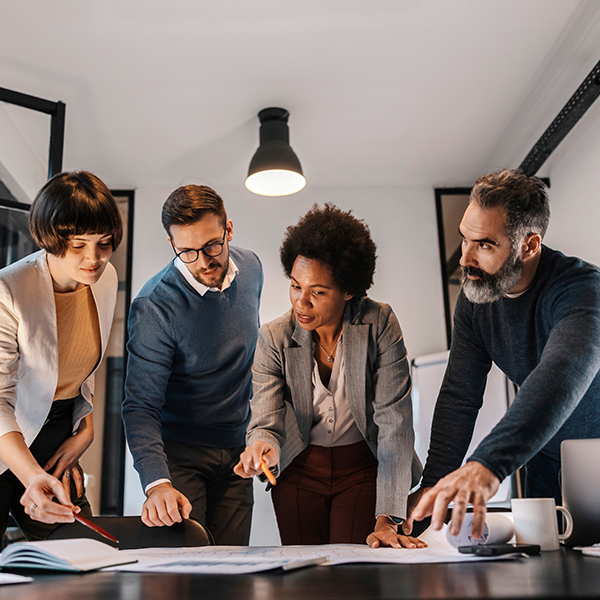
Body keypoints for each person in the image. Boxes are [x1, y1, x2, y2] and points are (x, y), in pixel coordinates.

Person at [406, 169, 600, 541]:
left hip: (596, 453)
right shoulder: (475, 301)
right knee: (550, 568)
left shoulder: (580, 289)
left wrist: (488, 464)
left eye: (485, 245)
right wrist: (434, 490)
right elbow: (460, 397)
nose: (465, 258)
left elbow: (562, 371)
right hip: (543, 456)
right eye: (464, 239)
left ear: (529, 245)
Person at [234, 204, 424, 548]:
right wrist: (261, 446)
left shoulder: (379, 323)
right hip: (298, 470)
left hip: (363, 470)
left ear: (349, 290)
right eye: (295, 286)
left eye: (318, 292)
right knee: (305, 575)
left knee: (355, 572)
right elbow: (266, 418)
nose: (300, 303)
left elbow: (394, 423)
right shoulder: (273, 337)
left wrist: (387, 519)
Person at [122, 185, 263, 545]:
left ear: (228, 230)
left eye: (212, 245)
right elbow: (140, 406)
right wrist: (157, 483)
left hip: (237, 450)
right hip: (179, 456)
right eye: (187, 251)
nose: (203, 261)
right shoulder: (154, 306)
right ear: (172, 245)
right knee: (186, 570)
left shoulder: (252, 269)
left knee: (234, 570)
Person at [0, 171, 122, 540]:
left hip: (57, 433)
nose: (95, 258)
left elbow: (82, 368)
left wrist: (85, 428)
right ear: (51, 239)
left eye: (104, 243)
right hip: (8, 436)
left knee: (84, 554)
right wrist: (32, 474)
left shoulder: (106, 279)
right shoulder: (9, 289)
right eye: (79, 244)